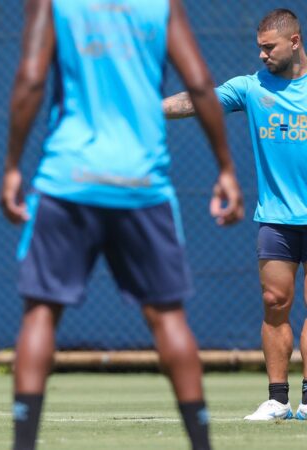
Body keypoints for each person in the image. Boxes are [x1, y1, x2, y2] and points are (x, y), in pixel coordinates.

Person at [1, 0, 245, 448]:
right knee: (169, 318)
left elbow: (32, 78)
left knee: (40, 313)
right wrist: (226, 167)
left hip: (68, 180)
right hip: (142, 183)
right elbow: (201, 84)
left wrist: (13, 165)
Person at [164, 8, 307, 422]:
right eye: (259, 48)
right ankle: (278, 400)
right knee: (274, 302)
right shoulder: (250, 87)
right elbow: (198, 100)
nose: (262, 55)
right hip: (276, 218)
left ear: (294, 42)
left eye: (269, 47)